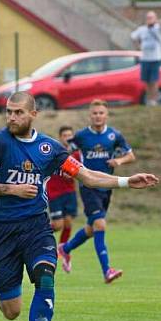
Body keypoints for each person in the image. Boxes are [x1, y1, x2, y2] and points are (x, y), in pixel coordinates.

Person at [0, 92, 158, 321]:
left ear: (33, 115)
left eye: (18, 112)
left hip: (36, 227)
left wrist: (127, 181)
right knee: (11, 310)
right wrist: (13, 189)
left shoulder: (50, 148)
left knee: (46, 278)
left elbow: (88, 176)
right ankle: (8, 298)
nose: (12, 117)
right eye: (9, 111)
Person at [58, 100, 136, 283]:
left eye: (101, 113)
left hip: (107, 187)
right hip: (88, 187)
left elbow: (131, 155)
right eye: (94, 113)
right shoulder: (82, 136)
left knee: (92, 228)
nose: (98, 116)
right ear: (90, 115)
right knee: (100, 225)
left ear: (106, 115)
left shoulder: (114, 136)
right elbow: (65, 154)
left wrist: (119, 162)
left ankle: (65, 248)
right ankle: (107, 270)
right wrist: (69, 171)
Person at [46, 126, 80, 273]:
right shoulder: (54, 152)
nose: (67, 137)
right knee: (58, 225)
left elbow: (81, 171)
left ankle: (63, 250)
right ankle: (39, 233)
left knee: (68, 223)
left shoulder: (76, 154)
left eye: (69, 135)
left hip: (69, 192)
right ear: (60, 137)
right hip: (54, 193)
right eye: (64, 135)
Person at [130, 11, 161, 106]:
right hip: (145, 58)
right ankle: (148, 100)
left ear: (155, 18)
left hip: (155, 58)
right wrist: (138, 46)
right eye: (148, 17)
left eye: (151, 17)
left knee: (154, 80)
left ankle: (154, 100)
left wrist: (156, 22)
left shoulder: (158, 27)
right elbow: (133, 37)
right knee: (147, 80)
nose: (149, 19)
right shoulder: (142, 29)